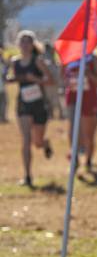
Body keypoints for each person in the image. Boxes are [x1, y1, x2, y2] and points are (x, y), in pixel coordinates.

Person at [10, 31, 54, 187]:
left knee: (37, 143)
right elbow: (11, 78)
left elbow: (50, 81)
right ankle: (28, 176)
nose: (25, 45)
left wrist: (34, 79)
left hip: (38, 105)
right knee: (26, 140)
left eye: (28, 42)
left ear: (32, 44)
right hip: (23, 104)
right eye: (22, 41)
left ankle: (45, 143)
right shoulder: (14, 62)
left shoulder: (37, 61)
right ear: (18, 44)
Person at [63, 52, 97, 171]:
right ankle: (74, 157)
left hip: (89, 98)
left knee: (88, 134)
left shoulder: (93, 58)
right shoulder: (69, 55)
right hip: (72, 96)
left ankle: (88, 160)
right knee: (72, 127)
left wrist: (89, 74)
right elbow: (63, 76)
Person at [42, 42, 66, 120]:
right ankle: (51, 114)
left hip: (55, 84)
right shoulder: (45, 60)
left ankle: (61, 114)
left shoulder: (54, 62)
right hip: (48, 84)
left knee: (58, 100)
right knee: (49, 100)